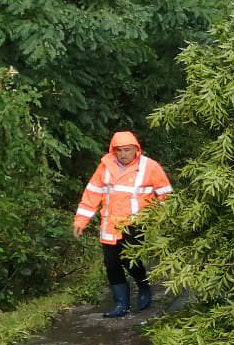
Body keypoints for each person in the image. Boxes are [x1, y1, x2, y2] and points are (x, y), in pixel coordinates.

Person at [73, 130, 172, 318]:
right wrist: (81, 220)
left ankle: (143, 287)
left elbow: (165, 194)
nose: (123, 154)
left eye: (127, 150)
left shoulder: (150, 167)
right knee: (111, 263)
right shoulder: (105, 166)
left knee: (130, 259)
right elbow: (92, 194)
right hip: (110, 223)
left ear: (136, 149)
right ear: (113, 151)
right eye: (119, 150)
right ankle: (121, 304)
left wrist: (164, 217)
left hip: (136, 223)